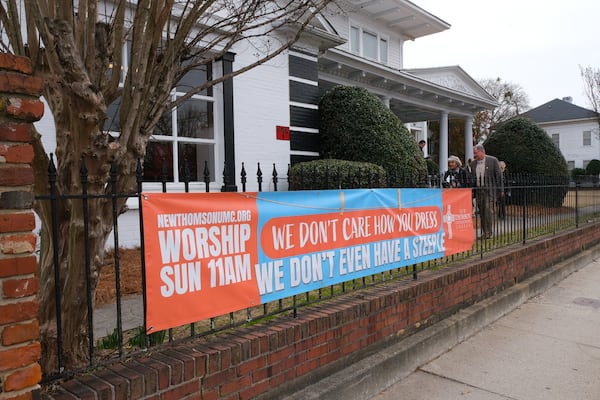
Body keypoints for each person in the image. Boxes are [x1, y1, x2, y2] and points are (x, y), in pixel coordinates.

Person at [470, 144, 504, 239]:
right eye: (474, 153)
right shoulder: (473, 164)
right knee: (482, 211)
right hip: (479, 190)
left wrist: (501, 189)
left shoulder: (492, 160)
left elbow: (499, 176)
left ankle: (489, 232)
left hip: (490, 190)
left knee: (488, 210)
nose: (475, 155)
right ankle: (485, 232)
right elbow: (473, 178)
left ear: (482, 152)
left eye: (476, 153)